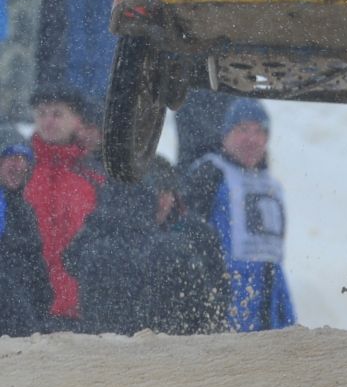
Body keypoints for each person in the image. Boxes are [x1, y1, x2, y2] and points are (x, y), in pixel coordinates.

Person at [65, 158, 227, 336]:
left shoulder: (195, 233)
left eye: (168, 191)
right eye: (157, 192)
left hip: (117, 346)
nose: (165, 201)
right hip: (160, 347)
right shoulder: (103, 237)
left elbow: (217, 291)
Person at [182, 98, 295, 331]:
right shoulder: (209, 173)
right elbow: (186, 235)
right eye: (243, 129)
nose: (251, 139)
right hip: (222, 296)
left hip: (268, 301)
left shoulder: (271, 184)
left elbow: (273, 258)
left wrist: (287, 318)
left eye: (259, 131)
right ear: (226, 135)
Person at [22, 87, 101, 329]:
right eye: (42, 113)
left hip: (80, 306)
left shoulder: (95, 175)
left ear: (77, 120)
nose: (48, 121)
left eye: (57, 114)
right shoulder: (18, 170)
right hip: (27, 303)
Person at [0, 142, 54, 335]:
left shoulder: (24, 209)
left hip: (20, 306)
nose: (19, 166)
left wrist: (43, 295)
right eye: (13, 159)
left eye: (25, 161)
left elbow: (33, 258)